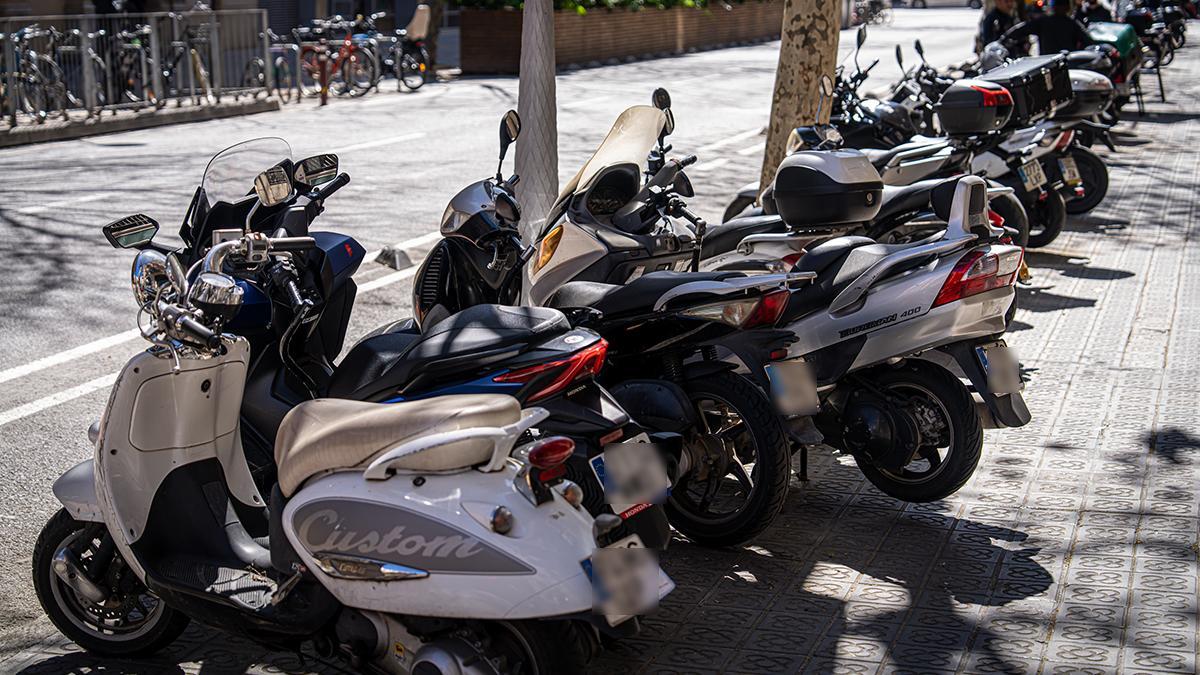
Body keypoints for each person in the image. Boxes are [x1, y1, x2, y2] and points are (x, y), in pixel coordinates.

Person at [1002, 0, 1095, 53]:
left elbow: (1020, 29)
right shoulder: (1072, 23)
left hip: (1059, 65)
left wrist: (1002, 40)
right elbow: (1089, 42)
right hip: (1060, 64)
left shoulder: (1072, 24)